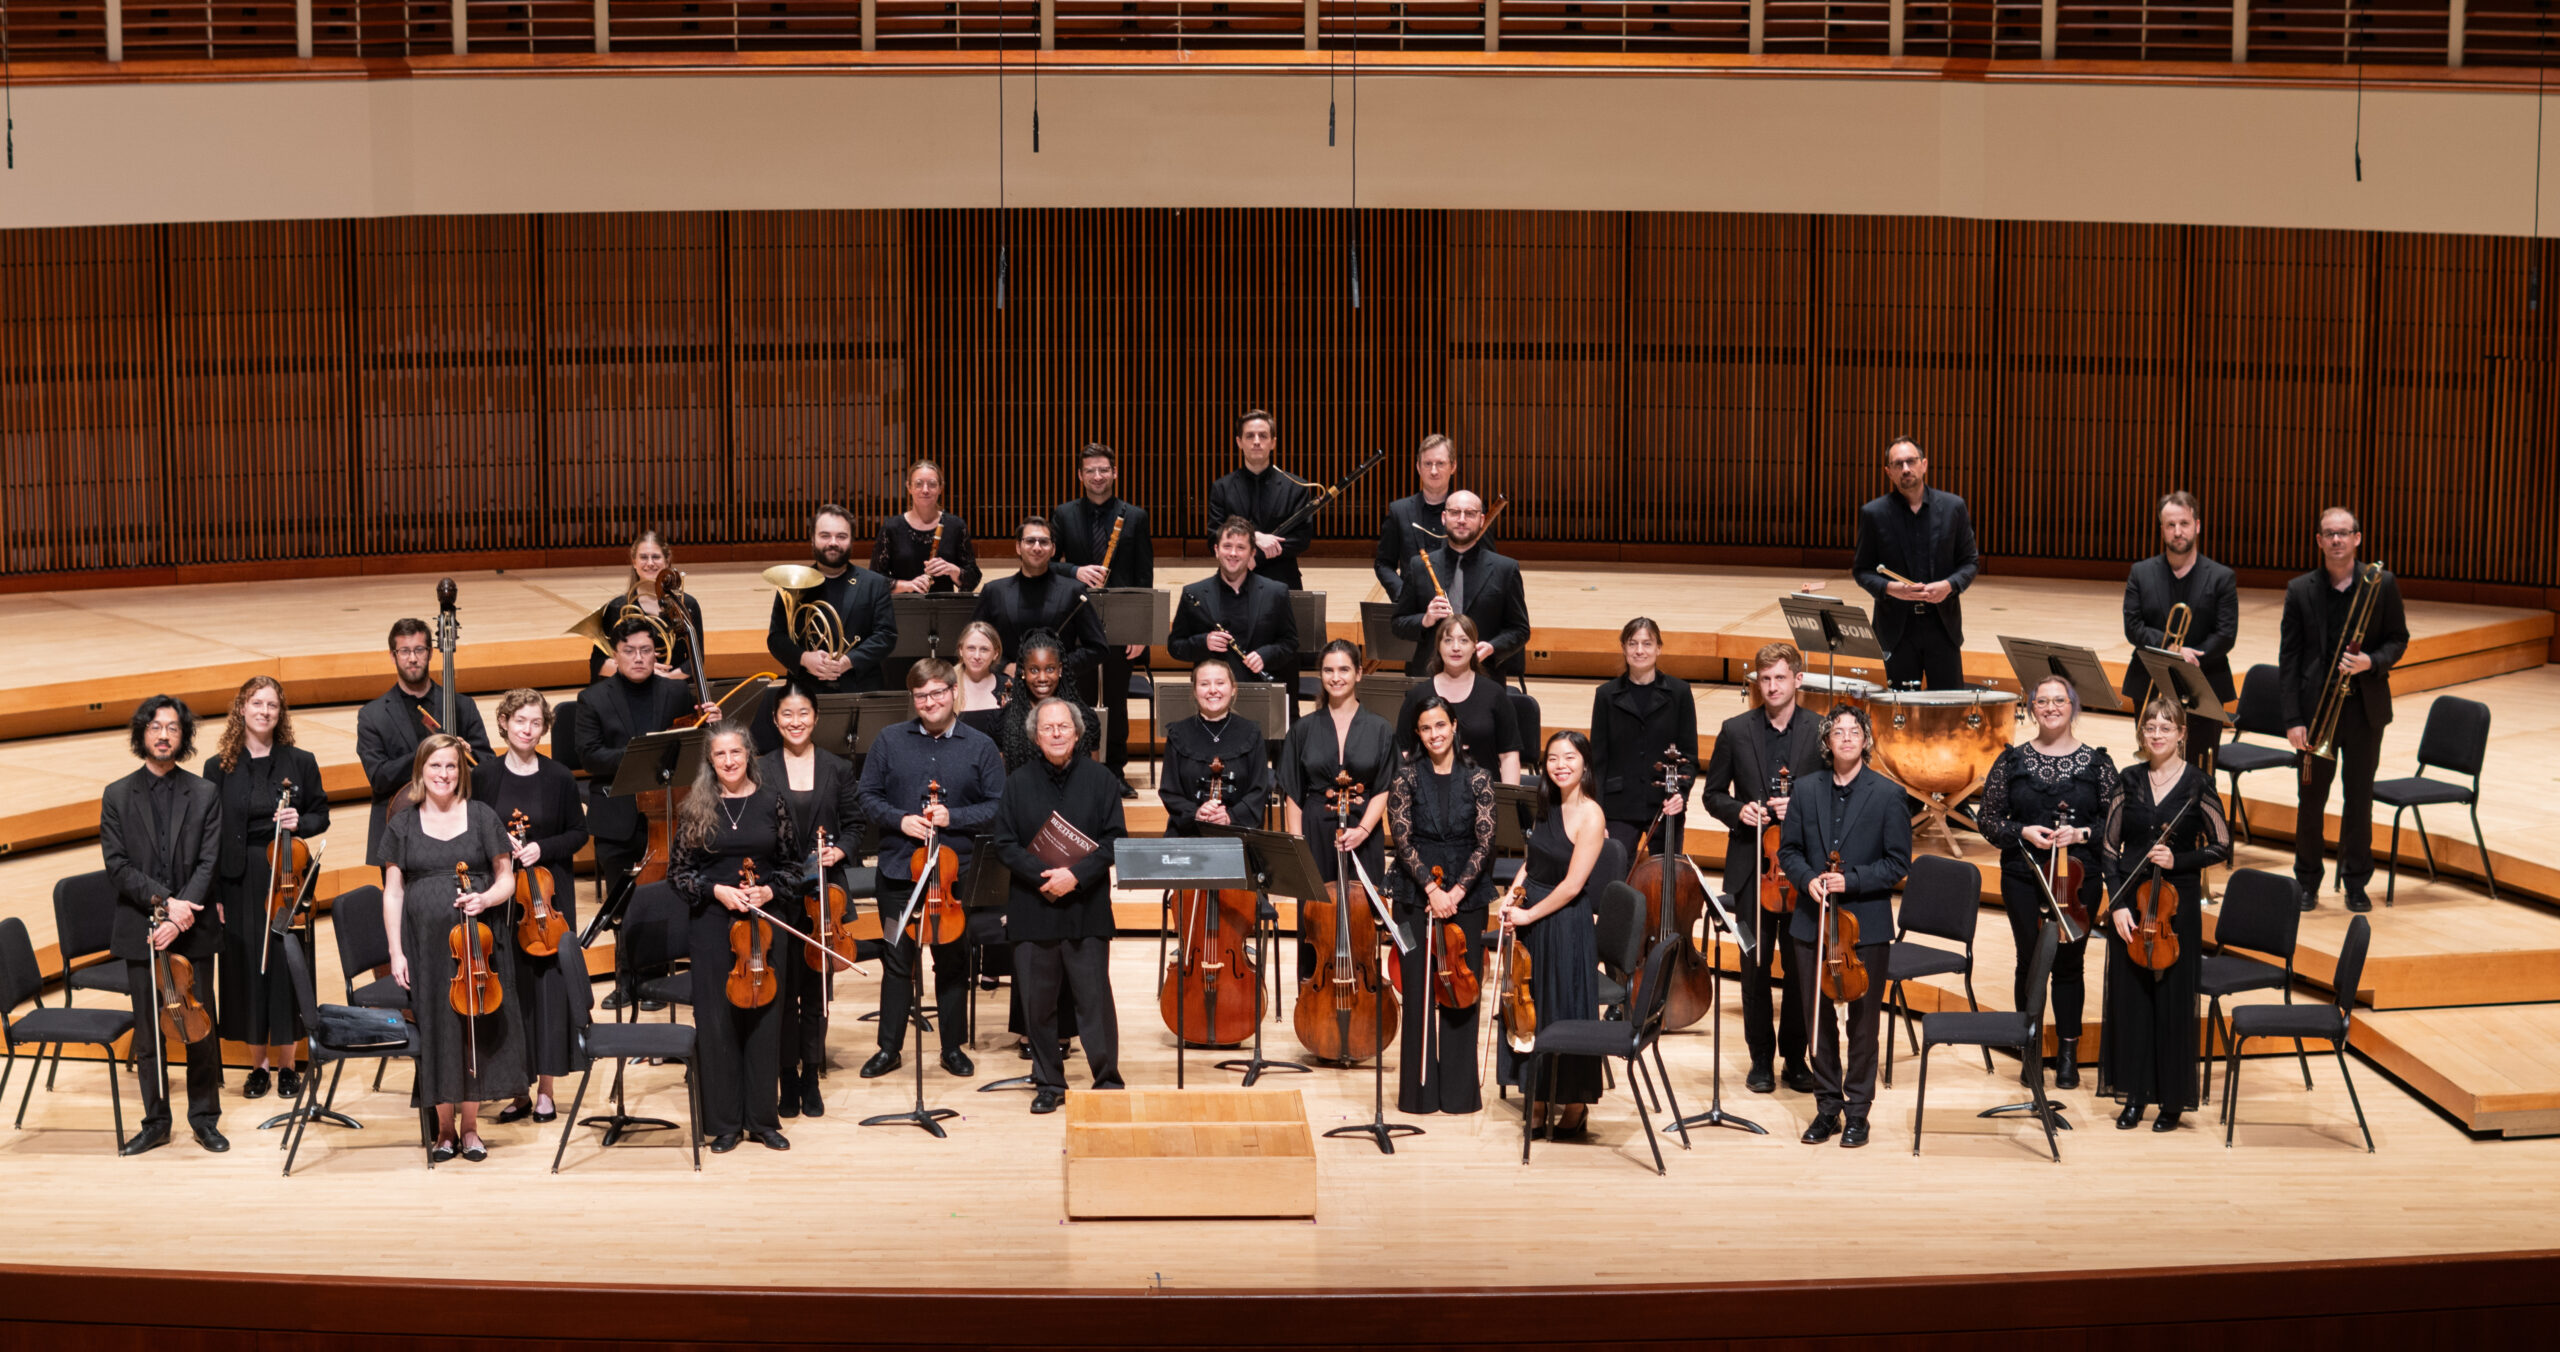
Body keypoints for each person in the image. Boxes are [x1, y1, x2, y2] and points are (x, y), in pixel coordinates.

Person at [855, 659, 1008, 1080]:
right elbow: (866, 795)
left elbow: (998, 806)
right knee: (895, 958)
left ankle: (952, 1047)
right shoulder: (888, 740)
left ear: (954, 692)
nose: (930, 702)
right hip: (896, 875)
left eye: (938, 692)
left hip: (953, 879)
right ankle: (889, 1049)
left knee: (953, 962)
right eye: (921, 695)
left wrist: (952, 818)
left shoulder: (980, 746)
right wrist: (899, 819)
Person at [381, 733, 522, 1164]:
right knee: (439, 1029)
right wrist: (396, 952)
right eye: (435, 766)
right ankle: (443, 1129)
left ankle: (471, 1127)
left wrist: (485, 899)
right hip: (424, 946)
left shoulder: (481, 816)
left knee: (471, 1031)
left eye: (451, 766)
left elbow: (507, 878)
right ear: (420, 772)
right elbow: (392, 892)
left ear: (461, 772)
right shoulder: (402, 823)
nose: (443, 774)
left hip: (477, 946)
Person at [1975, 675, 2117, 1091]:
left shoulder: (2098, 764)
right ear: (2032, 709)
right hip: (2024, 875)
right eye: (2042, 701)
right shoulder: (2012, 761)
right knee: (2029, 962)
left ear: (2073, 706)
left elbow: (2116, 821)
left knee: (2070, 966)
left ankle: (2069, 1055)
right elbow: (1988, 819)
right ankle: (2030, 1048)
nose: (2051, 708)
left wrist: (2081, 835)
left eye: (2059, 700)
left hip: (2080, 878)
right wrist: (2024, 832)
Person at [988, 698, 1130, 1114]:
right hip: (1033, 907)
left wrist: (1076, 876)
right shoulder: (1017, 782)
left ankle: (1107, 1079)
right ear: (1035, 735)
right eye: (1047, 727)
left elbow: (1113, 841)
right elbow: (1004, 843)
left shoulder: (1102, 779)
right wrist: (1044, 876)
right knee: (1038, 1003)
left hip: (1086, 906)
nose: (1055, 733)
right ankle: (1049, 1081)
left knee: (1094, 1002)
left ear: (1076, 731)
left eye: (1063, 727)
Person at [99, 695, 226, 1156]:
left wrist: (183, 912)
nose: (164, 734)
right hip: (142, 928)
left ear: (183, 736)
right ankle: (155, 1120)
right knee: (150, 1032)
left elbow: (210, 862)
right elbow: (117, 866)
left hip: (194, 928)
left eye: (173, 727)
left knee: (199, 1027)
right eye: (155, 727)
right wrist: (167, 905)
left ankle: (204, 1118)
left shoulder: (206, 793)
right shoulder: (116, 795)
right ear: (142, 734)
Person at [1780, 704, 1911, 1149]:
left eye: (1855, 731)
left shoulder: (1888, 794)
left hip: (1866, 926)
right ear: (1827, 742)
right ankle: (1827, 1108)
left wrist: (1849, 880)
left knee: (1862, 1023)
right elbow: (1789, 851)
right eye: (1838, 732)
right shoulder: (1805, 789)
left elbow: (1897, 863)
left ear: (1866, 740)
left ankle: (1858, 1113)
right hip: (1811, 923)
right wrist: (1808, 879)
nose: (1847, 738)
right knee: (1818, 1022)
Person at [1699, 641, 1827, 1095]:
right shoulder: (1735, 730)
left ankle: (1795, 1057)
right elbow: (1712, 794)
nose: (1772, 686)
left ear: (1798, 680)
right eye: (1765, 679)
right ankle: (1760, 1060)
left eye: (1780, 678)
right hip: (1752, 869)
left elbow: (1837, 790)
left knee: (1798, 968)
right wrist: (1739, 812)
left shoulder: (1820, 730)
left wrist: (1802, 804)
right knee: (1754, 965)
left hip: (1801, 870)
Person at [668, 724, 803, 1153]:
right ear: (710, 760)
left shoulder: (771, 802)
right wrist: (715, 891)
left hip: (764, 924)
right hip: (711, 926)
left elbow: (793, 867)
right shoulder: (695, 808)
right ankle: (724, 1123)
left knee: (766, 1020)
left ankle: (762, 1119)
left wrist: (767, 890)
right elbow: (678, 874)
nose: (728, 761)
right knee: (717, 1023)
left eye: (736, 753)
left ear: (749, 755)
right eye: (720, 754)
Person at [2101, 696, 2232, 1133]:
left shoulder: (2198, 784)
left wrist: (2180, 861)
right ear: (2143, 734)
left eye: (2165, 727)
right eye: (2150, 727)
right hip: (2133, 904)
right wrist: (2116, 904)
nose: (2156, 734)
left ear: (2181, 733)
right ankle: (2134, 1096)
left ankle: (2172, 1101)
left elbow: (2222, 845)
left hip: (2176, 908)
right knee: (2132, 1000)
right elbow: (2108, 849)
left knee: (2174, 1002)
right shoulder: (2129, 780)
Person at [202, 676, 328, 1103]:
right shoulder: (219, 767)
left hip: (286, 877)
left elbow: (320, 815)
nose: (265, 711)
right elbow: (210, 834)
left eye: (272, 705)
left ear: (281, 712)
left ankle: (289, 1064)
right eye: (257, 703)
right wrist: (215, 893)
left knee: (286, 966)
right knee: (246, 969)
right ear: (241, 709)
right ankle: (257, 1066)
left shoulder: (301, 761)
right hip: (238, 879)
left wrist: (300, 822)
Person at [2281, 507, 2409, 913]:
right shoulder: (2300, 590)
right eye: (2328, 534)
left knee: (2359, 799)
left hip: (2364, 712)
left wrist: (2372, 661)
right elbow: (2290, 659)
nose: (2336, 540)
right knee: (2311, 801)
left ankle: (2355, 882)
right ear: (2318, 540)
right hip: (2316, 712)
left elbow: (2398, 639)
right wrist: (2293, 720)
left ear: (2358, 538)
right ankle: (2307, 883)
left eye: (2344, 533)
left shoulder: (2381, 584)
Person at [472, 689, 590, 1127]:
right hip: (504, 902)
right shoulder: (484, 776)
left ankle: (545, 1091)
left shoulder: (559, 776)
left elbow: (579, 832)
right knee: (512, 994)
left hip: (548, 902)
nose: (527, 729)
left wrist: (542, 847)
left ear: (544, 727)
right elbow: (474, 830)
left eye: (536, 722)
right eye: (519, 720)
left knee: (547, 994)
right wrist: (500, 845)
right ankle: (515, 1088)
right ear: (503, 723)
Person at [1495, 731, 1608, 1136]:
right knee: (1532, 1008)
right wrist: (1513, 896)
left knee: (1563, 1007)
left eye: (1570, 757)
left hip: (1563, 924)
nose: (1561, 765)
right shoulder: (1545, 804)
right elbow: (1533, 860)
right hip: (1533, 913)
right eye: (1553, 758)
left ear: (1584, 764)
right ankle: (1537, 1097)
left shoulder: (1592, 815)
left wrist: (1529, 916)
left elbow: (1573, 886)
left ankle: (1575, 1105)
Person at [757, 684, 860, 1119]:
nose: (795, 721)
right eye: (787, 714)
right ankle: (788, 1077)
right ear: (776, 720)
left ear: (815, 717)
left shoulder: (837, 768)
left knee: (816, 993)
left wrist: (841, 850)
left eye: (803, 713)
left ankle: (812, 1074)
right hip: (779, 891)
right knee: (782, 993)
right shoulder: (760, 768)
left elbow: (856, 824)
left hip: (824, 895)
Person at [1387, 697, 1494, 1115]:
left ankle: (1459, 1095)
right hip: (1414, 892)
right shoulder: (1406, 778)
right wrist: (1432, 891)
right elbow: (1402, 839)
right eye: (1425, 728)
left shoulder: (1479, 778)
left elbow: (1486, 842)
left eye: (1440, 725)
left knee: (1461, 991)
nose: (1434, 734)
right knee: (1416, 990)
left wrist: (1456, 893)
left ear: (1453, 725)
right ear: (1418, 733)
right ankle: (1418, 1096)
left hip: (1468, 893)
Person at [575, 616, 721, 915]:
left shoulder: (677, 693)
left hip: (672, 815)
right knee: (625, 916)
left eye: (645, 649)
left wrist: (713, 726)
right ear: (615, 655)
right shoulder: (592, 698)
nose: (638, 658)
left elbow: (695, 749)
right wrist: (642, 756)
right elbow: (589, 756)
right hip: (618, 823)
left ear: (657, 653)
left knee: (682, 908)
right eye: (629, 651)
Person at [1052, 442, 1153, 789]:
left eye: (1104, 470)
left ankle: (1114, 771)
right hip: (1076, 618)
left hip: (1121, 623)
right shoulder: (1064, 514)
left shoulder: (1134, 516)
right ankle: (1078, 766)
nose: (1098, 476)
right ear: (1080, 475)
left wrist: (1142, 630)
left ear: (1114, 473)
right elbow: (1048, 564)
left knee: (1115, 698)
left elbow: (1144, 578)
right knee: (1075, 696)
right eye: (1090, 470)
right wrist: (1076, 571)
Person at [355, 617, 490, 872]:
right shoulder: (372, 715)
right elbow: (380, 778)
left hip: (459, 828)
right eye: (404, 651)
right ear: (393, 656)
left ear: (430, 653)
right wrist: (427, 754)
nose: (412, 658)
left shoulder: (461, 706)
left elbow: (488, 765)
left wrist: (467, 756)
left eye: (419, 650)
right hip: (400, 831)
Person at [2121, 491, 2239, 773]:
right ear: (2161, 529)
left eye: (2184, 524)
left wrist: (2191, 657)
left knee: (2200, 768)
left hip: (2204, 681)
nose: (2178, 532)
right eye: (2170, 525)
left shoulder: (2221, 577)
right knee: (2154, 766)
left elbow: (2225, 634)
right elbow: (2133, 627)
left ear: (2197, 526)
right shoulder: (2141, 572)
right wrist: (2172, 650)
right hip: (2150, 679)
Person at [1851, 436, 1980, 690]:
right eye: (1898, 464)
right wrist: (1891, 589)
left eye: (1911, 461)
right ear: (1889, 472)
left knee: (1947, 713)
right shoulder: (1874, 514)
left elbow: (1969, 562)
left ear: (1924, 464)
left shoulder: (1954, 507)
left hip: (1943, 627)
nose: (1906, 469)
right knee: (1902, 714)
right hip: (1898, 631)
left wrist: (1948, 585)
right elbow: (1862, 570)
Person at [1279, 640, 1396, 890]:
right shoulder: (1303, 729)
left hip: (1362, 830)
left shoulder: (1380, 729)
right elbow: (1293, 791)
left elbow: (1383, 787)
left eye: (1344, 669)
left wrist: (1363, 831)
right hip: (1314, 831)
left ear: (1359, 673)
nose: (1335, 677)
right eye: (1328, 670)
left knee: (1362, 914)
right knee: (1316, 917)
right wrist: (1298, 846)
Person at [1388, 490, 1531, 680]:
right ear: (1444, 518)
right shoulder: (1419, 565)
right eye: (1455, 513)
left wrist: (1492, 647)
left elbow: (1520, 630)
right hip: (1430, 679)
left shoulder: (1505, 569)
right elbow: (1399, 624)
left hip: (1483, 678)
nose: (1462, 519)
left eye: (1470, 514)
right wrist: (1426, 619)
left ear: (1481, 520)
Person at [1588, 617, 1699, 861]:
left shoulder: (1680, 693)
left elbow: (1689, 756)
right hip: (1618, 806)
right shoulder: (1605, 695)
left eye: (1647, 644)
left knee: (1664, 878)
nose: (1640, 650)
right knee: (1616, 878)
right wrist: (1598, 814)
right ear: (1623, 648)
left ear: (1659, 648)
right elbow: (1598, 761)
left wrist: (1681, 794)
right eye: (1633, 643)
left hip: (1665, 803)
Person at [766, 503, 899, 695]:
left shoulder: (874, 584)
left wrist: (848, 661)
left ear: (851, 540)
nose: (833, 542)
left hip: (860, 688)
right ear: (813, 539)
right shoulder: (792, 583)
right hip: (805, 693)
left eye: (841, 536)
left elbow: (886, 636)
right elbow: (776, 638)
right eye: (825, 535)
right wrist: (804, 658)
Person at [973, 515, 1105, 693]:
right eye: (1030, 541)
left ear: (1053, 549)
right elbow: (974, 643)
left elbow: (1097, 647)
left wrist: (1056, 668)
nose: (1037, 547)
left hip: (1059, 693)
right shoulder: (994, 591)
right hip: (1006, 689)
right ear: (1018, 547)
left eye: (1043, 542)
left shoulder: (1073, 591)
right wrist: (1003, 666)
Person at [1168, 516, 1299, 695]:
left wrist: (1265, 655)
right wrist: (1203, 642)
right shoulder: (1194, 593)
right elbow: (1175, 646)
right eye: (1227, 546)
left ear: (1252, 553)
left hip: (1259, 690)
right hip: (1213, 695)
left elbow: (1290, 643)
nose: (1233, 553)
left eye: (1241, 548)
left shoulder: (1276, 592)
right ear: (1216, 550)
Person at [1393, 617, 1522, 784]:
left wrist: (1507, 805)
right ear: (1438, 646)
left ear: (1474, 646)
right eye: (1448, 640)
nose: (1456, 648)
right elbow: (1404, 752)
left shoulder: (1495, 694)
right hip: (1429, 795)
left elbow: (1509, 755)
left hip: (1484, 799)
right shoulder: (1417, 695)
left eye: (1463, 641)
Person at [1204, 407, 1316, 590]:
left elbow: (1301, 540)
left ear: (1273, 442)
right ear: (1239, 442)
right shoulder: (1222, 487)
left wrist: (1255, 556)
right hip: (1234, 581)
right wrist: (1253, 537)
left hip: (1283, 582)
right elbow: (1213, 538)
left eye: (1263, 436)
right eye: (1250, 436)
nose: (1256, 442)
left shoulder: (1296, 487)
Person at [1159, 657, 1273, 836]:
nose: (1213, 690)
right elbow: (1170, 791)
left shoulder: (1251, 731)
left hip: (1239, 834)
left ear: (1233, 689)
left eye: (1220, 683)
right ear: (1195, 691)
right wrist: (1195, 812)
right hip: (1188, 834)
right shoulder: (1178, 733)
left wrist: (1231, 817)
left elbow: (1258, 788)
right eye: (1204, 684)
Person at [587, 528, 705, 683]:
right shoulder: (617, 608)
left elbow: (696, 660)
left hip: (671, 687)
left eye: (656, 557)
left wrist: (666, 677)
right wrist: (640, 671)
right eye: (643, 557)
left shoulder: (687, 605)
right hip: (630, 688)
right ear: (634, 562)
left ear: (667, 560)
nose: (650, 563)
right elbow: (598, 662)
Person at [995, 631, 1101, 773]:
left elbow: (1094, 778)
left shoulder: (1085, 718)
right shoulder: (1004, 721)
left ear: (1060, 669)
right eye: (1034, 670)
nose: (1042, 677)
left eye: (1050, 669)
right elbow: (1002, 782)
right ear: (1023, 672)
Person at [875, 459, 982, 595]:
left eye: (932, 484)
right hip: (903, 610)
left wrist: (952, 570)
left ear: (940, 488)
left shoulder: (956, 526)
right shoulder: (891, 527)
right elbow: (875, 580)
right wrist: (908, 585)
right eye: (918, 484)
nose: (925, 490)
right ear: (909, 487)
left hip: (944, 609)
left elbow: (973, 579)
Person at [1374, 433, 1455, 602]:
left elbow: (1485, 562)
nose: (1433, 471)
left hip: (1458, 610)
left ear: (1453, 466)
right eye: (1427, 464)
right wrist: (1403, 595)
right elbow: (1383, 564)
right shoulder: (1399, 511)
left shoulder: (1469, 511)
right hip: (1414, 613)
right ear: (1418, 467)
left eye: (1440, 463)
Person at [953, 620, 1010, 726]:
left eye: (984, 649)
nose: (977, 656)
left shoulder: (1009, 686)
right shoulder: (947, 686)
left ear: (995, 654)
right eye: (971, 648)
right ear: (961, 650)